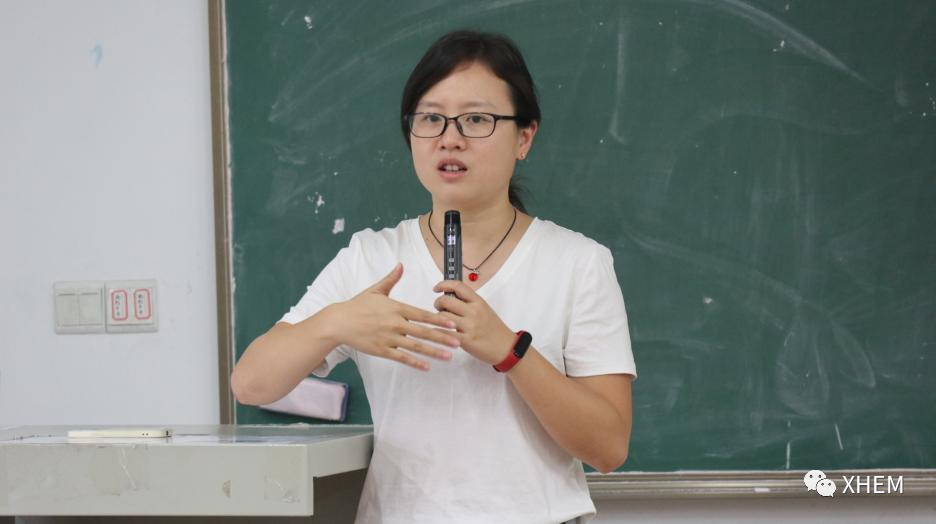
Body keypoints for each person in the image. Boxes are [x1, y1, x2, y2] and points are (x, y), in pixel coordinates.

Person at [231, 30, 636, 524]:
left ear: (524, 137)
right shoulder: (372, 257)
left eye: (476, 119)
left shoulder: (577, 262)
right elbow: (250, 384)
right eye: (430, 118)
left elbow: (608, 448)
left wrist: (510, 352)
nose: (450, 138)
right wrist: (335, 323)